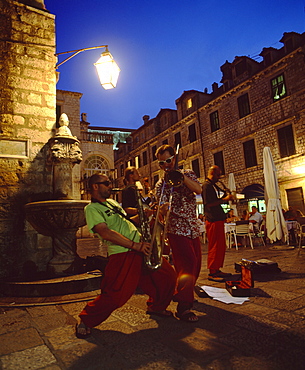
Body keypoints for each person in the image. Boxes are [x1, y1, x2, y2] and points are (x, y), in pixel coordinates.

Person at [76, 173, 177, 338]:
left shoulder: (113, 203)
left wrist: (152, 212)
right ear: (95, 186)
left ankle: (156, 307)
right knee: (116, 295)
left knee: (168, 276)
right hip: (123, 252)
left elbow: (129, 221)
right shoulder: (91, 208)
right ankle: (86, 319)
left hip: (141, 246)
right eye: (106, 183)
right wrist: (134, 245)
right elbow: (105, 232)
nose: (110, 186)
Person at [155, 144, 202, 322]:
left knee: (196, 264)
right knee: (187, 264)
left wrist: (181, 177)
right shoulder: (161, 184)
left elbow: (198, 190)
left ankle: (184, 293)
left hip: (192, 226)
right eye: (161, 163)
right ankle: (184, 306)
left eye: (168, 161)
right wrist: (162, 208)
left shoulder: (188, 173)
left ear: (174, 158)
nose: (166, 165)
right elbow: (160, 206)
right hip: (176, 229)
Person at [202, 165, 234, 282]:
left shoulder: (211, 185)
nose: (219, 177)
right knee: (215, 246)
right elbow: (208, 204)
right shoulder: (206, 186)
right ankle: (212, 272)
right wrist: (225, 199)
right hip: (213, 220)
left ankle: (217, 269)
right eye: (218, 174)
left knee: (220, 246)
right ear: (213, 173)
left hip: (217, 219)